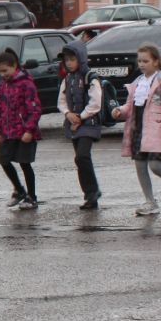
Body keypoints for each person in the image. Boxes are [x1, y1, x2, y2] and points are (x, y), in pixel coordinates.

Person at [113, 43, 161, 216]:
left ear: (156, 62)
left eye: (146, 61)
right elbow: (131, 105)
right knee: (140, 165)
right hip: (138, 129)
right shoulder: (138, 82)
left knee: (155, 165)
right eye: (139, 61)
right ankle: (150, 202)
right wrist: (120, 111)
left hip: (157, 130)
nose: (142, 64)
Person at [0, 47, 42, 211]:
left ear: (14, 66)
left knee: (24, 163)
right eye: (0, 72)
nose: (3, 74)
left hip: (24, 132)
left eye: (5, 70)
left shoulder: (26, 84)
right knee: (4, 160)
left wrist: (29, 129)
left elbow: (35, 109)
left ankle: (32, 197)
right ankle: (19, 190)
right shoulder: (3, 86)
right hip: (7, 132)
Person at [58, 40, 104, 210]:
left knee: (82, 156)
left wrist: (80, 117)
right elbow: (61, 101)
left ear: (81, 58)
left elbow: (95, 103)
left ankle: (93, 191)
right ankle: (90, 196)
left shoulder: (90, 77)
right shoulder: (67, 79)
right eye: (66, 60)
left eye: (72, 59)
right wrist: (68, 114)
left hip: (89, 123)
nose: (69, 63)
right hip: (73, 123)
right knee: (80, 160)